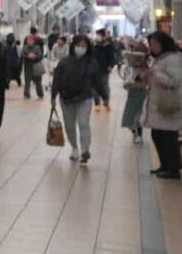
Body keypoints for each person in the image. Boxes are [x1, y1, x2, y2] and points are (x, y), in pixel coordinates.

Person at [50, 33, 107, 165]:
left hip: (85, 97)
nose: (81, 48)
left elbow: (98, 81)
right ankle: (75, 148)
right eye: (78, 45)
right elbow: (57, 80)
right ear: (73, 46)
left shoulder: (92, 63)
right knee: (69, 126)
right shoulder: (64, 62)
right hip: (66, 98)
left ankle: (85, 150)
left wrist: (104, 96)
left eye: (84, 46)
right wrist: (53, 96)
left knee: (83, 124)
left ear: (88, 47)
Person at [144, 30, 182, 179]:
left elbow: (174, 81)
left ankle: (174, 169)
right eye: (151, 44)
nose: (153, 47)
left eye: (155, 44)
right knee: (158, 136)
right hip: (159, 106)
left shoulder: (173, 59)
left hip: (168, 106)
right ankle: (164, 165)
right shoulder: (160, 59)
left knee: (168, 139)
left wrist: (155, 74)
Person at [92, 29, 118, 111]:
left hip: (104, 69)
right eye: (97, 35)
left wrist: (111, 66)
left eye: (99, 35)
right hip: (94, 70)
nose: (97, 37)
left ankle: (106, 102)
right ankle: (97, 104)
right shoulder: (94, 46)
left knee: (105, 86)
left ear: (104, 36)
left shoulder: (109, 46)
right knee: (95, 87)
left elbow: (112, 58)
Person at [21, 27, 46, 99]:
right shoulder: (24, 48)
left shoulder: (37, 47)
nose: (29, 41)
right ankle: (26, 94)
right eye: (28, 40)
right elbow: (22, 55)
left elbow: (40, 55)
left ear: (33, 41)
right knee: (27, 81)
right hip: (28, 66)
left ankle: (40, 94)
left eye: (31, 40)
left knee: (38, 81)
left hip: (36, 66)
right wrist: (28, 56)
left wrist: (35, 56)